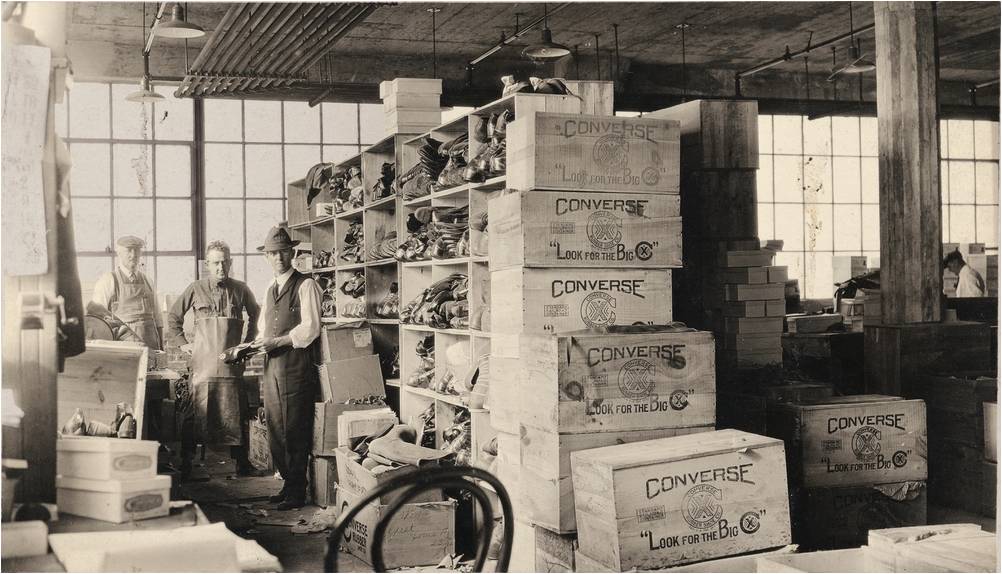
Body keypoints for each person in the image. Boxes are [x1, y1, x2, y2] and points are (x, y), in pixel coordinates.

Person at [165, 240, 261, 478]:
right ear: (207, 264)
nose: (221, 267)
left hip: (231, 364)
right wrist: (183, 344)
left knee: (237, 410)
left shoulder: (241, 289)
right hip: (203, 365)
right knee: (194, 412)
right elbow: (173, 317)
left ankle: (242, 463)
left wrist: (246, 346)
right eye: (216, 263)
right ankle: (187, 463)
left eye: (225, 262)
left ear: (230, 262)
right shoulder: (195, 288)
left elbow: (256, 315)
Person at [252, 226, 322, 510]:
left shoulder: (306, 285)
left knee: (294, 426)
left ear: (292, 253)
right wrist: (250, 347)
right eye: (272, 253)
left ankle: (297, 490)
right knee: (276, 426)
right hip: (272, 366)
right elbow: (262, 329)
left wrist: (277, 341)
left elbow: (311, 329)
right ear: (267, 257)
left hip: (295, 365)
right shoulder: (270, 290)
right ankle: (287, 483)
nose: (278, 257)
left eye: (282, 251)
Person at [91, 235, 162, 350]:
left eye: (137, 250)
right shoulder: (108, 280)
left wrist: (161, 347)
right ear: (119, 253)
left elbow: (158, 319)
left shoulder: (148, 280)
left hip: (150, 344)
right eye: (129, 250)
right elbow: (97, 319)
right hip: (124, 345)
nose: (133, 255)